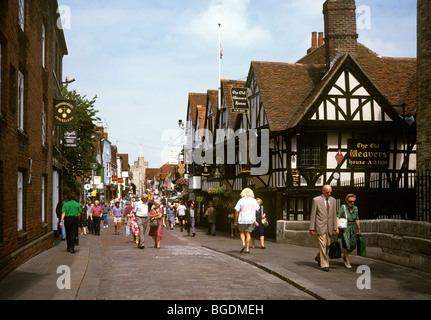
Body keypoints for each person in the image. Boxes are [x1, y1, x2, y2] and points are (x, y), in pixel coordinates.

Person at [309, 185, 339, 272]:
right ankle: (325, 264)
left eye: (330, 192)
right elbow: (313, 214)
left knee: (327, 245)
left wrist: (335, 227)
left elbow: (334, 214)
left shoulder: (333, 200)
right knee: (322, 244)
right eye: (327, 192)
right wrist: (311, 228)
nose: (329, 194)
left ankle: (319, 257)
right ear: (323, 191)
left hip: (329, 226)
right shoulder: (316, 200)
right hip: (320, 225)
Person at [337, 194, 362, 269]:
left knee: (353, 245)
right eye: (350, 201)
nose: (352, 203)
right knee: (346, 245)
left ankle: (345, 256)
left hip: (353, 227)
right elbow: (338, 217)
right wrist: (337, 228)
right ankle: (347, 260)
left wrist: (359, 229)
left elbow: (357, 219)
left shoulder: (355, 208)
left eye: (354, 201)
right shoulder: (343, 207)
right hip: (345, 228)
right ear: (347, 201)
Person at [234, 188, 260, 254]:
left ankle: (243, 244)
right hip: (251, 219)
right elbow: (257, 210)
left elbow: (237, 211)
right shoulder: (254, 201)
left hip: (242, 219)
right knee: (248, 233)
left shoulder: (241, 200)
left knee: (242, 232)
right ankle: (247, 249)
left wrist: (236, 220)